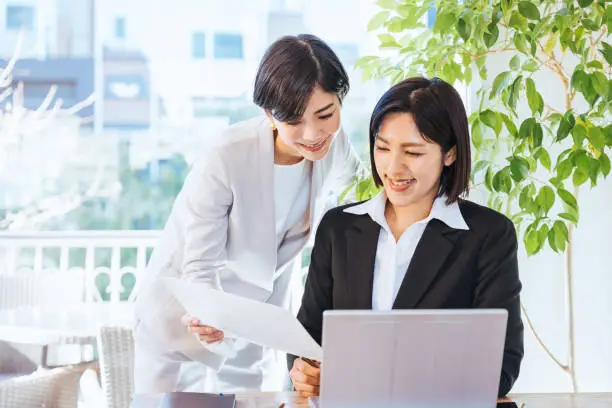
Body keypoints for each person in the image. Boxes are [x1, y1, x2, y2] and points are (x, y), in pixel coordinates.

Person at [133, 34, 362, 394]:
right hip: (185, 316)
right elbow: (200, 265)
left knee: (248, 399)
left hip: (254, 319)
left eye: (326, 114)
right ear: (269, 114)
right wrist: (208, 315)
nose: (314, 133)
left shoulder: (335, 145)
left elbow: (361, 188)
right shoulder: (227, 155)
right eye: (295, 121)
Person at [288, 77, 524, 398]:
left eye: (412, 152)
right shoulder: (338, 228)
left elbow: (501, 368)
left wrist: (383, 379)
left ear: (450, 154)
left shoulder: (488, 236)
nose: (393, 168)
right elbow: (306, 338)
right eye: (382, 147)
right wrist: (305, 371)